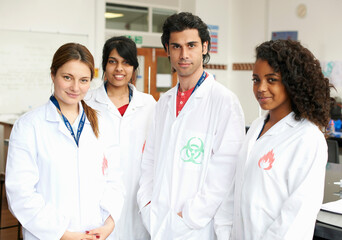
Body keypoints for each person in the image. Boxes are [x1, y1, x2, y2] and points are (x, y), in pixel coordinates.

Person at [137, 12, 245, 240]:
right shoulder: (164, 102)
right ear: (167, 50)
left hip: (197, 227)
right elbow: (150, 159)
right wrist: (147, 203)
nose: (183, 54)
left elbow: (225, 174)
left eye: (191, 45)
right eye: (176, 46)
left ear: (205, 47)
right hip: (157, 219)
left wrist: (188, 216)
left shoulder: (224, 101)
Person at [6, 43, 124, 240]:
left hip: (96, 234)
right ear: (53, 75)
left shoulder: (103, 124)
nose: (75, 87)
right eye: (67, 77)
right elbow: (20, 193)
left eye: (84, 80)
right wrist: (63, 234)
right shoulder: (29, 126)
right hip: (49, 235)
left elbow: (114, 180)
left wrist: (109, 223)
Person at [232, 39, 333, 239]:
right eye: (256, 79)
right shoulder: (255, 127)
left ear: (291, 82)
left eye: (271, 80)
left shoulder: (307, 138)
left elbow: (297, 215)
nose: (260, 88)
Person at [85, 36, 156, 240]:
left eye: (126, 62)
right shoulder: (87, 102)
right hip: (98, 195)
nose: (119, 69)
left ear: (134, 68)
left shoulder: (149, 104)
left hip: (137, 194)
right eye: (113, 61)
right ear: (104, 65)